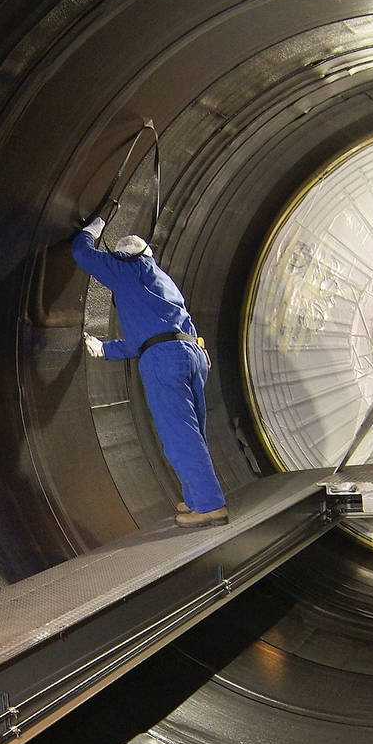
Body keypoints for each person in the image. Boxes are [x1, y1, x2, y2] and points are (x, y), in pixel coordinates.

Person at [72, 217, 228, 526]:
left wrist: (92, 229)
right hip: (193, 354)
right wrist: (106, 349)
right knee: (191, 432)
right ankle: (198, 497)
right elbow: (150, 334)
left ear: (125, 255)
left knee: (178, 435)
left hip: (164, 360)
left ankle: (210, 505)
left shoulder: (126, 268)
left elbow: (82, 254)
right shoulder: (162, 279)